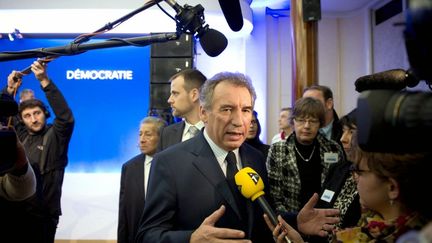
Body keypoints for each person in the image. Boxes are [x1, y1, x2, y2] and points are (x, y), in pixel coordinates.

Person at [268, 150, 432, 243]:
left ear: (392, 187)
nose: (354, 178)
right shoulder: (369, 226)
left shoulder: (415, 238)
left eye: (359, 172)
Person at [4, 60, 75, 243]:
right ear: (22, 120)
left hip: (43, 216)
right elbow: (3, 115)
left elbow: (66, 117)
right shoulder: (20, 134)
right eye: (27, 116)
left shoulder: (56, 136)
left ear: (45, 114)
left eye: (37, 113)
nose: (33, 119)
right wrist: (10, 89)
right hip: (14, 211)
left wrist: (44, 80)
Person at [267, 97, 345, 215]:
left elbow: (339, 187)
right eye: (301, 120)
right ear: (293, 122)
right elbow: (274, 195)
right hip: (290, 219)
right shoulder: (278, 149)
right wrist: (292, 221)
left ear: (320, 124)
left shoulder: (333, 148)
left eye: (313, 121)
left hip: (325, 217)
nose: (307, 126)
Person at [117, 116, 166, 243]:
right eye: (140, 134)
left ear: (161, 138)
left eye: (148, 134)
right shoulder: (129, 168)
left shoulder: (172, 165)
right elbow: (123, 214)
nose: (142, 140)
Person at [157, 69, 207, 152]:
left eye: (175, 93)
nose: (169, 100)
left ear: (194, 95)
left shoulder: (218, 131)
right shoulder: (166, 134)